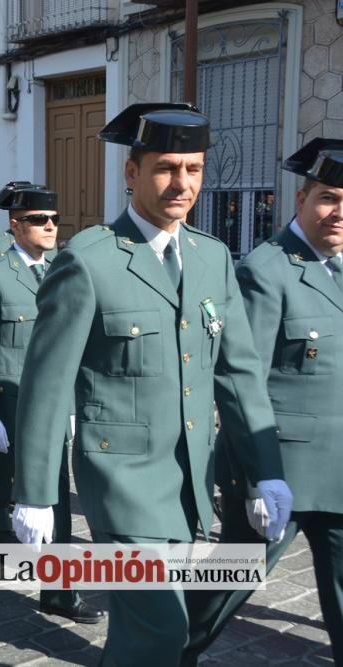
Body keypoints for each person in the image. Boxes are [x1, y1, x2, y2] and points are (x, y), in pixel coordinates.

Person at [10, 103, 293, 665]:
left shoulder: (212, 257)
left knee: (145, 634)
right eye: (165, 168)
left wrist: (265, 471)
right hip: (121, 482)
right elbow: (45, 385)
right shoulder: (89, 261)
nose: (180, 183)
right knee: (160, 630)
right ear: (131, 173)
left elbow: (237, 373)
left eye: (192, 168)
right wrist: (35, 492)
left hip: (189, 481)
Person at [184, 139, 343, 664]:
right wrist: (255, 477)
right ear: (301, 200)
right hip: (283, 469)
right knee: (230, 579)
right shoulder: (266, 270)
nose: (339, 213)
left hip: (340, 468)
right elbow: (240, 379)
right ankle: (172, 650)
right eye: (329, 197)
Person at [0, 185, 104, 624]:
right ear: (15, 225)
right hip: (7, 409)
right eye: (37, 220)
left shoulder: (62, 272)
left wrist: (72, 401)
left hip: (48, 411)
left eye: (53, 219)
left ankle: (59, 593)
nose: (49, 227)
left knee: (57, 501)